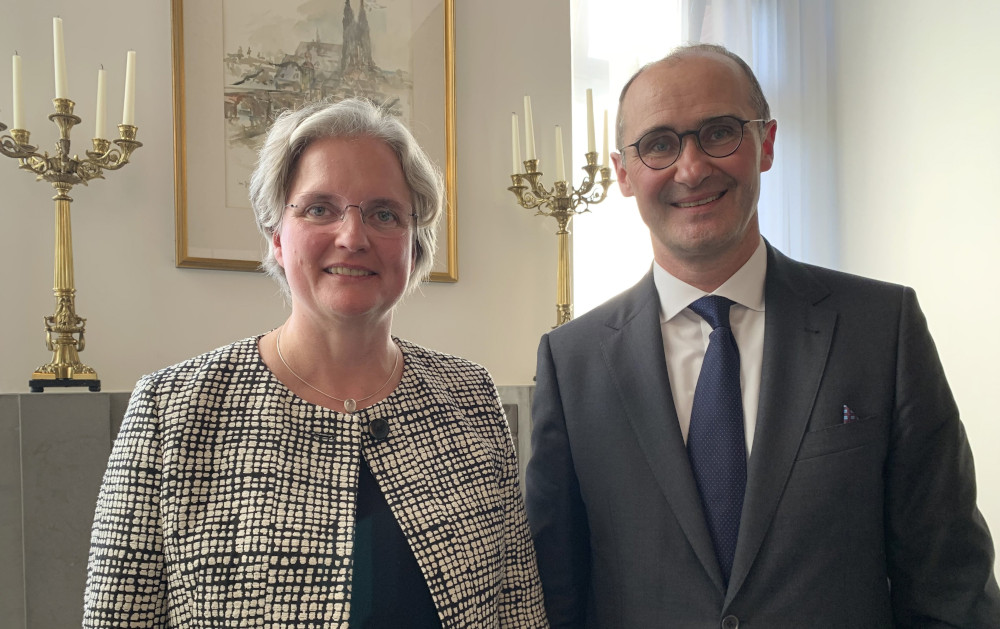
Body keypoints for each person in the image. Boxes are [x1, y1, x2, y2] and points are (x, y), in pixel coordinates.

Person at [525, 43, 1000, 627]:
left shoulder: (882, 328)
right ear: (624, 174)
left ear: (765, 144)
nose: (692, 168)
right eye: (659, 144)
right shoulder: (572, 362)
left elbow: (949, 581)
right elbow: (555, 593)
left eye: (719, 132)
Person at [84, 98, 549, 628]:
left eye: (383, 214)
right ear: (278, 238)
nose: (353, 237)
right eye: (319, 208)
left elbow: (518, 611)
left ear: (414, 246)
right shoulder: (173, 410)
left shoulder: (468, 398)